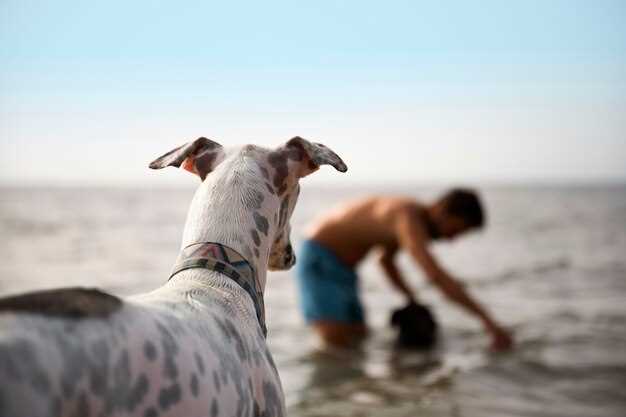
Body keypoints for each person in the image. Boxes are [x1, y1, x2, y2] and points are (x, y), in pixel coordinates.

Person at [295, 188, 513, 351]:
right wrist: (488, 322)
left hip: (345, 271)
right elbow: (434, 274)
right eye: (455, 230)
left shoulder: (408, 218)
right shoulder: (407, 217)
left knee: (357, 338)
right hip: (319, 259)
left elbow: (386, 262)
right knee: (335, 347)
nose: (452, 239)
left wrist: (411, 298)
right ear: (442, 211)